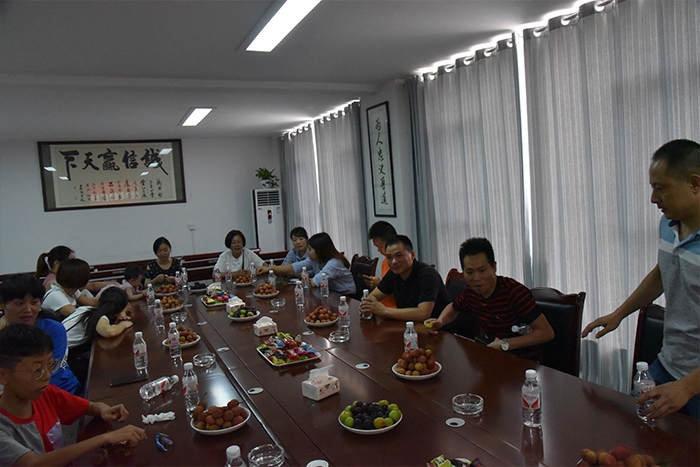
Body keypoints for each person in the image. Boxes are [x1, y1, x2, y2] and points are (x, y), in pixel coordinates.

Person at [582, 139, 700, 419]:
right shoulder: (669, 224)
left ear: (694, 184)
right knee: (639, 438)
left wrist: (686, 387)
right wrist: (620, 314)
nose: (653, 199)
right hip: (668, 365)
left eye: (661, 188)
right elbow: (663, 273)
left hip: (693, 382)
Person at [0, 323, 147, 466]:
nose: (47, 376)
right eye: (37, 370)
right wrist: (105, 438)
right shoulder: (4, 426)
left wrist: (103, 410)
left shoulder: (45, 393)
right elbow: (33, 463)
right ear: (3, 375)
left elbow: (90, 407)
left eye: (50, 365)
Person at [425, 238, 554, 361]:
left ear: (494, 267)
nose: (476, 278)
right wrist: (440, 321)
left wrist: (505, 344)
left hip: (526, 362)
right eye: (470, 272)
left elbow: (546, 333)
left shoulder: (514, 292)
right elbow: (453, 307)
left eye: (482, 270)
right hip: (497, 357)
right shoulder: (471, 292)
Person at [0, 274, 82, 395]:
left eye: (34, 303)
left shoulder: (53, 329)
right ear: (3, 305)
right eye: (20, 303)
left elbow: (54, 374)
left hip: (61, 392)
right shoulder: (4, 332)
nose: (28, 310)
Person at [359, 235, 449, 321]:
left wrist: (384, 311)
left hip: (436, 328)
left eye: (399, 256)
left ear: (412, 255)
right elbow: (374, 296)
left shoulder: (427, 275)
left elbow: (423, 313)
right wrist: (368, 305)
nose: (394, 262)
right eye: (389, 257)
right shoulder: (393, 273)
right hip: (409, 325)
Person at [61, 288, 133, 385]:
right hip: (61, 355)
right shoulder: (97, 316)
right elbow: (109, 332)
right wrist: (123, 325)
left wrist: (119, 316)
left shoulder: (87, 309)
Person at [258, 232, 356, 295]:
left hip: (347, 297)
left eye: (310, 249)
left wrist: (308, 279)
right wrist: (269, 269)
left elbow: (314, 283)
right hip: (331, 293)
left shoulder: (334, 263)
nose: (308, 252)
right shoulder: (314, 260)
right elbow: (293, 267)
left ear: (320, 251)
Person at [362, 221, 397, 308]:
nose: (379, 250)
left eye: (380, 246)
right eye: (377, 247)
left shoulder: (402, 265)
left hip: (395, 311)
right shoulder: (385, 262)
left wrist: (380, 284)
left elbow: (405, 294)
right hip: (382, 307)